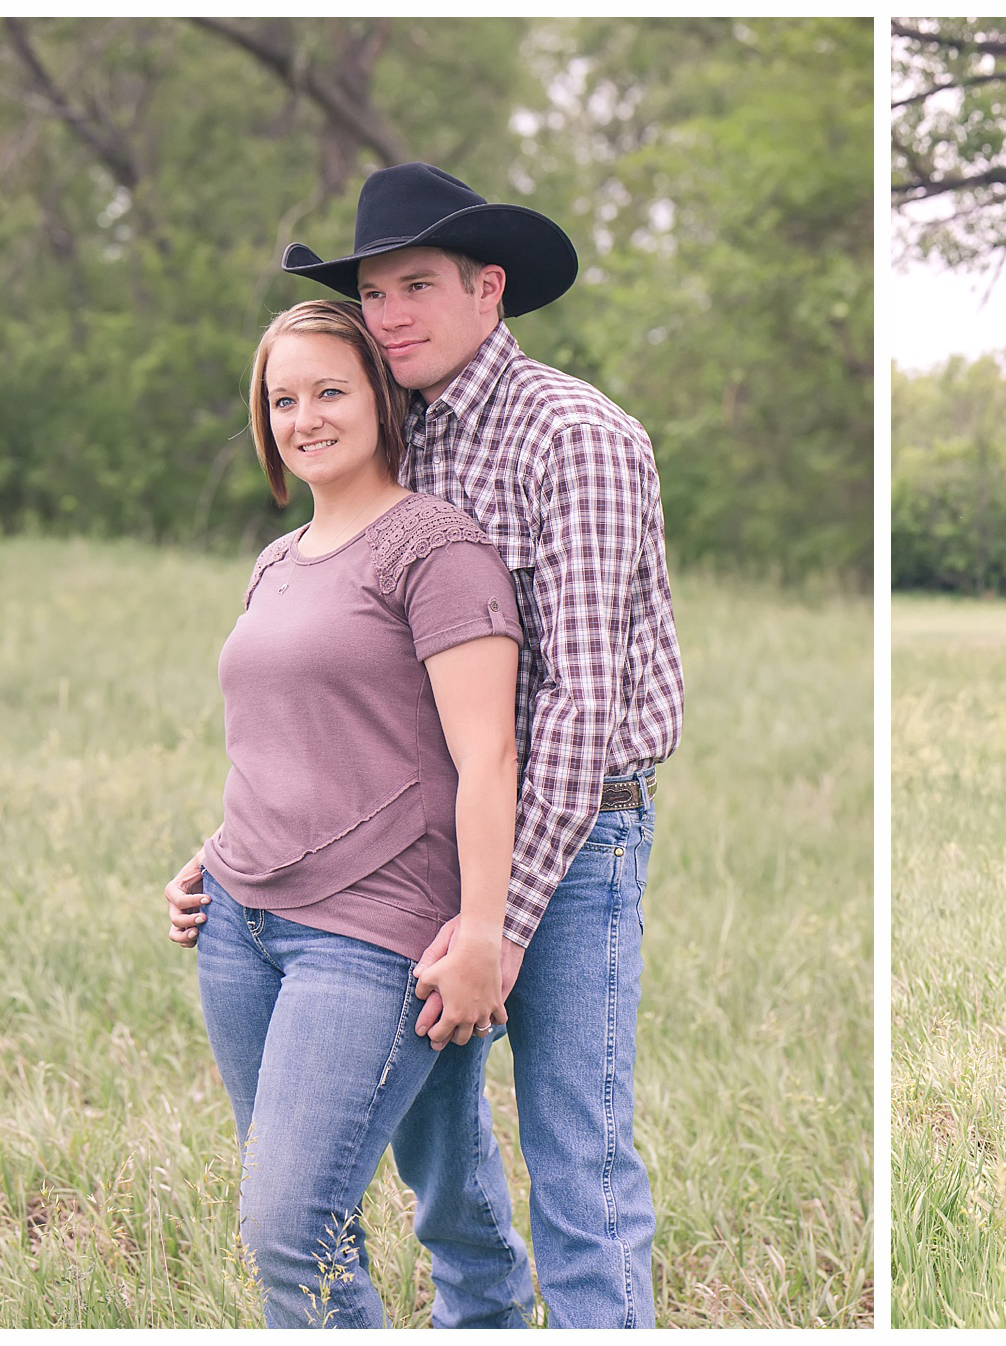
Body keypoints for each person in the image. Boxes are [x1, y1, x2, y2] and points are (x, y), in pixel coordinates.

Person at [171, 162, 683, 1328]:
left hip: (578, 824)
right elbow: (353, 696)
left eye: (416, 286)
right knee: (437, 1155)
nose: (389, 314)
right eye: (374, 294)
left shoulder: (575, 436)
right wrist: (245, 845)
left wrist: (494, 923)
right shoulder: (397, 435)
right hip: (425, 844)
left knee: (579, 1160)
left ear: (488, 288)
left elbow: (576, 707)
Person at [167, 299, 525, 1327]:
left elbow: (486, 753)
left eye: (329, 389)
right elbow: (296, 736)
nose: (304, 417)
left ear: (379, 394)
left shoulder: (437, 545)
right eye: (282, 399)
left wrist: (485, 932)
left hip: (371, 940)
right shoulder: (277, 561)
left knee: (289, 1222)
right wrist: (212, 854)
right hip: (241, 926)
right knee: (321, 1219)